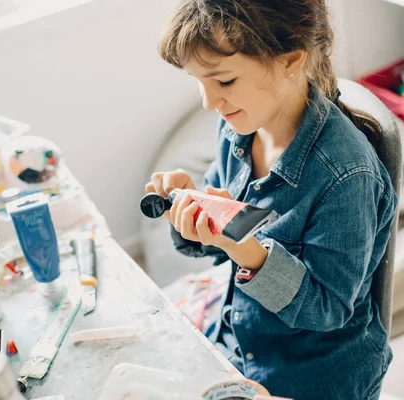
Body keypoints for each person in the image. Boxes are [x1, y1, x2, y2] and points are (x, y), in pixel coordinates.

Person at [145, 1, 398, 399]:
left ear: (291, 61)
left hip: (313, 377)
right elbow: (217, 243)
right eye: (200, 81)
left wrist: (247, 252)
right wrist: (191, 208)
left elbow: (327, 310)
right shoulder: (238, 129)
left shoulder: (346, 176)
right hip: (241, 342)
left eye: (224, 82)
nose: (210, 102)